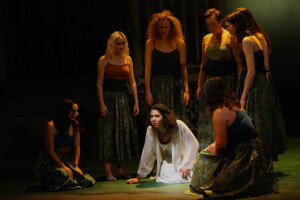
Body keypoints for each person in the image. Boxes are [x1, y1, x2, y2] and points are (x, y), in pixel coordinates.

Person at [187, 77, 278, 198]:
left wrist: (213, 148)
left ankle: (205, 185)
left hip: (244, 154)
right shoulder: (234, 103)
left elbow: (222, 145)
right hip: (255, 151)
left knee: (204, 156)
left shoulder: (219, 112)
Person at [225, 10, 286, 160]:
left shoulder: (247, 40)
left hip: (254, 86)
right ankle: (262, 160)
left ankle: (258, 160)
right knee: (260, 122)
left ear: (237, 25)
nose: (227, 30)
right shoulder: (256, 37)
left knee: (254, 122)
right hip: (260, 84)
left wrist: (243, 96)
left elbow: (251, 71)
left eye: (228, 26)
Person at [96, 31, 139, 181]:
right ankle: (108, 171)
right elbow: (99, 84)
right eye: (118, 43)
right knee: (109, 133)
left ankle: (120, 169)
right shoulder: (104, 60)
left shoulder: (128, 59)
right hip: (109, 98)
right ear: (112, 44)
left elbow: (132, 82)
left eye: (123, 43)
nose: (120, 46)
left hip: (123, 99)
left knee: (122, 132)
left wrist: (136, 101)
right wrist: (102, 103)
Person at [196, 8, 237, 150]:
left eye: (213, 24)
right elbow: (203, 63)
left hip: (227, 81)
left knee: (225, 114)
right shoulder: (206, 38)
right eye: (208, 25)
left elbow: (238, 63)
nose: (210, 27)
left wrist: (238, 84)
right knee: (209, 115)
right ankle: (209, 147)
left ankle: (226, 146)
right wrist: (200, 86)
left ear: (221, 21)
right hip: (210, 81)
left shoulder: (230, 37)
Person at [126, 104, 199, 184]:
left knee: (185, 176)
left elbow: (193, 144)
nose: (153, 119)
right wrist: (139, 176)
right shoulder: (151, 131)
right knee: (165, 175)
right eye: (151, 116)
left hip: (184, 158)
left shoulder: (178, 126)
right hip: (168, 160)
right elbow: (147, 152)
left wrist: (187, 165)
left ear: (164, 117)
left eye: (157, 116)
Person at [36, 99, 95, 191]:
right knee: (64, 177)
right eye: (74, 111)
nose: (77, 114)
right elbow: (49, 149)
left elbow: (77, 147)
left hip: (67, 160)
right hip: (53, 161)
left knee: (84, 179)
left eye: (77, 111)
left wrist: (76, 166)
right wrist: (62, 166)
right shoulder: (51, 126)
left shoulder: (75, 126)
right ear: (65, 112)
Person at [144, 10, 189, 123]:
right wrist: (148, 91)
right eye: (161, 27)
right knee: (158, 118)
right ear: (156, 27)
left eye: (166, 27)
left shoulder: (179, 43)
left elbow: (183, 67)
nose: (163, 30)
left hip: (174, 84)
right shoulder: (151, 43)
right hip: (157, 85)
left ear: (171, 27)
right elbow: (148, 69)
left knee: (176, 119)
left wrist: (186, 90)